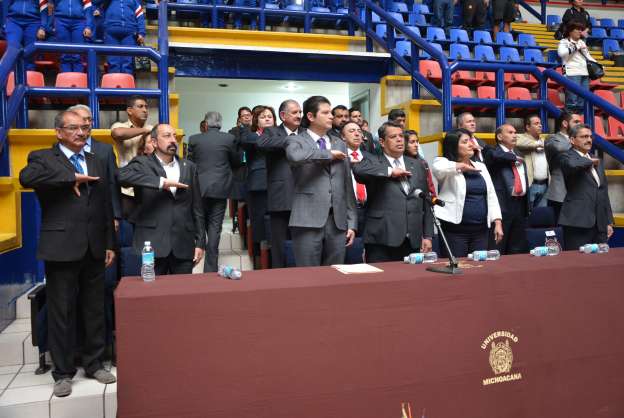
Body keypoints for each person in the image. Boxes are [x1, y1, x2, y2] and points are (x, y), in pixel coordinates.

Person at [19, 110, 116, 398]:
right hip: (61, 248)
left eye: (83, 128)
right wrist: (69, 176)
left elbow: (105, 205)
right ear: (59, 132)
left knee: (94, 308)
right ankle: (62, 372)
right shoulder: (43, 158)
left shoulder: (96, 158)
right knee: (62, 311)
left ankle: (94, 362)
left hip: (94, 246)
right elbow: (27, 177)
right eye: (72, 128)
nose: (80, 133)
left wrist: (109, 242)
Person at [118, 124, 205, 275]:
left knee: (184, 294)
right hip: (152, 244)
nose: (173, 140)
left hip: (183, 244)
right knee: (153, 295)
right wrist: (160, 183)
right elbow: (120, 176)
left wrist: (200, 243)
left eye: (174, 136)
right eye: (167, 136)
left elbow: (197, 207)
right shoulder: (142, 163)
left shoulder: (189, 167)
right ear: (153, 142)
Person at [286, 96, 357, 267]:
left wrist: (352, 223)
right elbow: (295, 157)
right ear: (310, 117)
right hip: (307, 220)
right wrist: (328, 154)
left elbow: (347, 184)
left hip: (338, 222)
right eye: (325, 113)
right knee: (308, 276)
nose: (331, 116)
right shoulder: (296, 140)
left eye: (330, 112)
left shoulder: (339, 143)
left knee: (336, 275)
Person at [352, 121, 433, 262]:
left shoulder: (417, 164)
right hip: (381, 238)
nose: (399, 139)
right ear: (382, 142)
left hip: (412, 239)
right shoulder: (373, 160)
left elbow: (425, 201)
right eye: (393, 136)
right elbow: (358, 170)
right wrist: (390, 172)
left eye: (401, 136)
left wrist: (427, 236)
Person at [431, 129, 503, 258]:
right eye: (465, 142)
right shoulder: (443, 162)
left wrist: (497, 222)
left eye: (471, 140)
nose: (471, 144)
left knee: (479, 269)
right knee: (458, 268)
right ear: (454, 146)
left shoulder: (481, 166)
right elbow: (438, 168)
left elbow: (491, 196)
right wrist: (462, 166)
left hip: (481, 230)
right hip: (455, 230)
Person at [187, 112, 242, 272]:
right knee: (215, 227)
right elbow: (237, 160)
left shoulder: (194, 139)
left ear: (206, 123)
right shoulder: (228, 139)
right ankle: (210, 269)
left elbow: (189, 163)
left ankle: (196, 254)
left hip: (198, 188)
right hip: (220, 188)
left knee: (199, 223)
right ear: (220, 123)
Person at [257, 99, 301, 268]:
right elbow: (261, 143)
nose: (299, 116)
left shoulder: (305, 132)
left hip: (306, 196)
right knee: (279, 245)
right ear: (283, 115)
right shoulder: (272, 132)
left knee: (303, 245)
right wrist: (291, 140)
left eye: (300, 112)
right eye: (295, 112)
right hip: (281, 197)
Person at [558, 124, 613, 250]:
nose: (589, 140)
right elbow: (572, 165)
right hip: (577, 221)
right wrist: (589, 161)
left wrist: (608, 221)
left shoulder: (596, 159)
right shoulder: (566, 156)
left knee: (600, 264)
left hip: (599, 223)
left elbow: (603, 192)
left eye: (590, 137)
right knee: (576, 263)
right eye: (584, 137)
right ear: (572, 140)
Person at [68, 105, 122, 226]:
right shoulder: (59, 149)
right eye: (83, 119)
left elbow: (112, 184)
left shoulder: (105, 150)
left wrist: (115, 216)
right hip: (69, 216)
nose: (87, 123)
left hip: (100, 216)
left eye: (90, 120)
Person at [485, 124, 529, 254]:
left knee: (517, 249)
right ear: (499, 136)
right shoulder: (493, 153)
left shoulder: (519, 153)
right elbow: (495, 156)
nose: (515, 135)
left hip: (520, 205)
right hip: (502, 206)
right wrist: (513, 157)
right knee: (498, 247)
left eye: (515, 132)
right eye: (510, 132)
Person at [241, 105, 275, 264]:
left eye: (270, 116)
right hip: (259, 185)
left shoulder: (281, 135)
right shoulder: (251, 135)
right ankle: (259, 258)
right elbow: (247, 141)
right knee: (260, 221)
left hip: (279, 186)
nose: (267, 118)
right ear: (256, 121)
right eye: (263, 116)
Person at [111, 95, 153, 219]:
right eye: (140, 106)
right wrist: (144, 131)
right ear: (129, 110)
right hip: (126, 188)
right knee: (126, 228)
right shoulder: (120, 125)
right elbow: (117, 134)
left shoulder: (153, 129)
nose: (145, 110)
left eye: (146, 107)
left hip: (147, 185)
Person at [545, 111, 582, 222]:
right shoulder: (552, 138)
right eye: (576, 122)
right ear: (565, 124)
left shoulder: (580, 139)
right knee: (560, 229)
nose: (579, 125)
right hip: (560, 193)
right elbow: (558, 147)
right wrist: (577, 141)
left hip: (579, 192)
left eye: (580, 122)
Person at [558, 21, 597, 114]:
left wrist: (598, 65)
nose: (580, 31)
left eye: (581, 30)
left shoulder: (581, 42)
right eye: (577, 30)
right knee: (572, 101)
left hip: (585, 73)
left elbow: (588, 56)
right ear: (570, 31)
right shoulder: (564, 42)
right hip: (571, 73)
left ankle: (581, 124)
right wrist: (575, 47)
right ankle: (570, 124)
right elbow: (561, 54)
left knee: (582, 101)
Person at [103, 0, 146, 74]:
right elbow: (95, 2)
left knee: (127, 63)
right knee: (113, 63)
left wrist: (141, 33)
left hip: (129, 33)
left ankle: (126, 85)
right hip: (111, 32)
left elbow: (140, 16)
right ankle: (113, 84)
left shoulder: (134, 1)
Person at [516, 114, 549, 209]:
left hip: (545, 185)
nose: (540, 125)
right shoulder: (519, 137)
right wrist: (537, 144)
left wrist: (541, 144)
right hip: (530, 184)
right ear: (528, 127)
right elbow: (519, 143)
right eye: (536, 123)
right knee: (527, 216)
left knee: (540, 217)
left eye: (540, 123)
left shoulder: (544, 141)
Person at [4, 0, 49, 70]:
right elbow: (5, 4)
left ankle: (29, 76)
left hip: (33, 21)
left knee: (30, 53)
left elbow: (44, 7)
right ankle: (12, 77)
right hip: (13, 21)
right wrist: (4, 23)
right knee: (12, 49)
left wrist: (42, 27)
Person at [227, 106, 251, 233]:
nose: (247, 117)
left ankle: (247, 223)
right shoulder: (233, 132)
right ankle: (237, 222)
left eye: (249, 114)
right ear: (239, 118)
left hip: (251, 169)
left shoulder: (255, 130)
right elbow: (231, 149)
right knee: (238, 198)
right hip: (239, 169)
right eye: (244, 115)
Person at [52, 0, 93, 72]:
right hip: (61, 20)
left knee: (78, 54)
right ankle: (65, 80)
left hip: (79, 21)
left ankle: (78, 80)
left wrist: (88, 26)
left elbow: (88, 6)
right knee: (64, 55)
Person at [342, 121, 367, 236]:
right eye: (352, 131)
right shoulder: (339, 158)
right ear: (343, 137)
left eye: (359, 131)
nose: (357, 134)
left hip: (369, 210)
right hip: (347, 210)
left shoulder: (371, 158)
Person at [404, 130, 436, 197]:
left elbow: (430, 184)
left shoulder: (423, 162)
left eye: (417, 141)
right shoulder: (401, 163)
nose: (416, 145)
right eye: (412, 142)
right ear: (404, 144)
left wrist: (433, 198)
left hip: (426, 201)